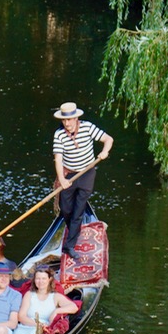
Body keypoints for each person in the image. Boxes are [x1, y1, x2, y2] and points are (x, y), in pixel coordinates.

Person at [53, 101, 113, 256]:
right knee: (66, 209)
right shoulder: (59, 135)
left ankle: (69, 245)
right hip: (69, 174)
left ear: (76, 119)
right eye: (64, 120)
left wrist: (105, 152)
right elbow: (58, 159)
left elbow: (108, 139)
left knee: (78, 209)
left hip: (87, 173)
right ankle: (73, 228)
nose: (67, 123)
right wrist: (62, 179)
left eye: (69, 120)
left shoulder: (87, 127)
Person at [10, 266, 82, 334]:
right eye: (38, 279)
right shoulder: (29, 294)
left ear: (50, 279)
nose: (40, 282)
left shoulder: (55, 296)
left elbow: (74, 307)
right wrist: (38, 325)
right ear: (34, 280)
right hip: (26, 327)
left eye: (43, 278)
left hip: (43, 331)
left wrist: (56, 311)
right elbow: (21, 317)